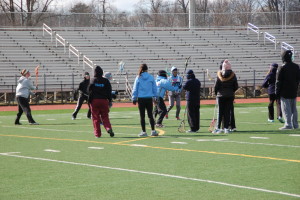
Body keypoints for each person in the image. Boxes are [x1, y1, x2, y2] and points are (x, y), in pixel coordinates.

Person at [276, 50, 300, 130]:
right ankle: (295, 124)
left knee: (286, 108)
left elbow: (278, 81)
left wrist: (277, 92)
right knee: (294, 109)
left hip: (284, 91)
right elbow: (298, 79)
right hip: (293, 90)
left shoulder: (282, 67)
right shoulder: (296, 66)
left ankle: (288, 124)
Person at [132, 64, 158, 137]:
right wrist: (155, 96)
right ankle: (153, 131)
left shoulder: (138, 77)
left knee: (142, 116)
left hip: (141, 99)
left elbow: (135, 88)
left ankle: (144, 132)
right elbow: (154, 88)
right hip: (149, 98)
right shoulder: (151, 77)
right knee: (150, 115)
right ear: (147, 69)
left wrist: (134, 98)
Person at [88, 66, 114, 138]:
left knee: (95, 118)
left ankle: (98, 134)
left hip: (94, 101)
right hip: (104, 101)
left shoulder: (92, 80)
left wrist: (89, 101)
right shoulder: (106, 81)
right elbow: (109, 92)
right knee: (105, 116)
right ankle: (108, 128)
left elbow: (89, 91)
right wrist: (110, 100)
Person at [213, 60, 238, 134]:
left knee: (220, 112)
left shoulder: (219, 74)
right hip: (230, 95)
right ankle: (226, 128)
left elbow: (216, 86)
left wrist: (216, 93)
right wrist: (232, 91)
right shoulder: (233, 74)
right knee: (227, 112)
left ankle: (218, 127)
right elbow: (236, 86)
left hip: (220, 95)